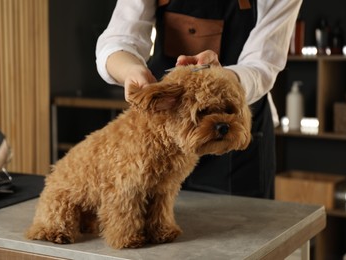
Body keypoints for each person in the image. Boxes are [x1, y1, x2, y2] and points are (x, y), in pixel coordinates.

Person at [96, 0, 303, 199]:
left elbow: (262, 63)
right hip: (163, 131)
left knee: (242, 225)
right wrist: (131, 70)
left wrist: (221, 81)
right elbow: (118, 39)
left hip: (236, 140)